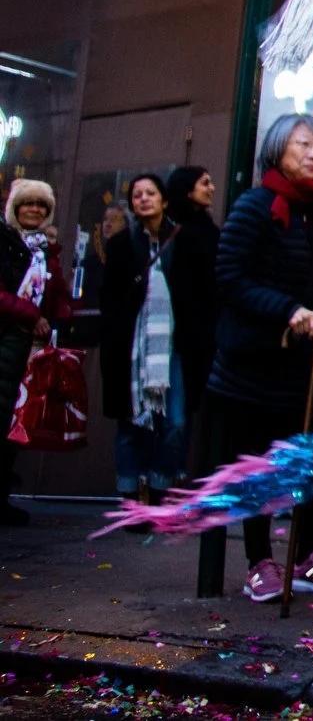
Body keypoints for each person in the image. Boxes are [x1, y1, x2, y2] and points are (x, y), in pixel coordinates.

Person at [209, 114, 313, 603]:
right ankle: (259, 563)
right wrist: (288, 310)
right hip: (257, 369)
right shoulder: (255, 207)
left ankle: (307, 558)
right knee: (261, 467)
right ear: (278, 150)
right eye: (304, 145)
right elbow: (230, 278)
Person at [100, 175, 188, 504]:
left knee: (176, 424)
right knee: (129, 426)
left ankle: (158, 486)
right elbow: (109, 298)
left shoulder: (181, 240)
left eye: (151, 193)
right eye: (137, 195)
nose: (143, 199)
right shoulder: (122, 243)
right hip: (131, 347)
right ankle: (129, 496)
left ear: (164, 201)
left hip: (173, 347)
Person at [0, 180, 68, 524]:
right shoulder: (3, 242)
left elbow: (57, 298)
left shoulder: (47, 251)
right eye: (27, 204)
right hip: (6, 340)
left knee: (16, 423)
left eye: (41, 206)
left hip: (30, 351)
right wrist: (32, 316)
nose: (34, 211)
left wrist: (62, 317)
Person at [161, 167, 221, 424]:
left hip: (200, 336)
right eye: (204, 183)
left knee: (186, 415)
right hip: (173, 333)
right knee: (174, 417)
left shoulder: (208, 230)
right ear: (188, 191)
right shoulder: (170, 230)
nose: (212, 188)